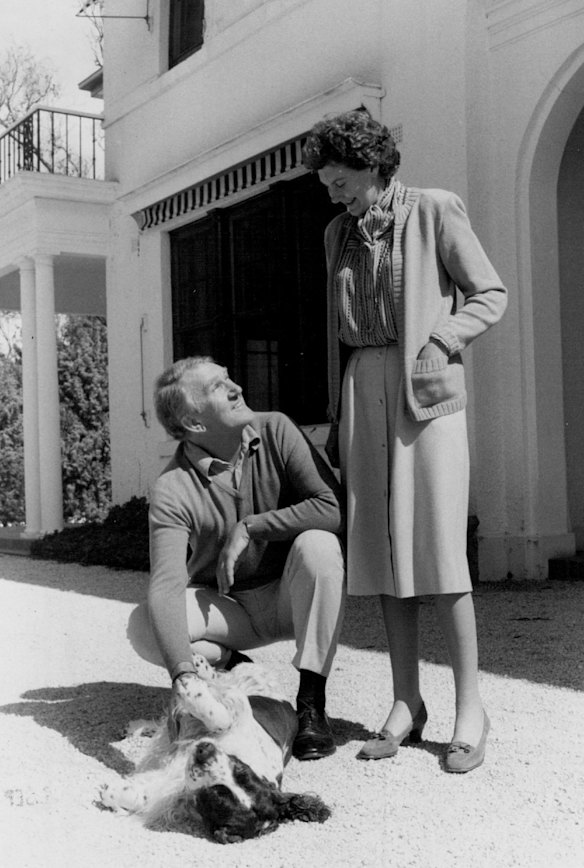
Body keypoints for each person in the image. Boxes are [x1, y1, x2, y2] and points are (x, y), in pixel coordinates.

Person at [302, 108, 507, 773]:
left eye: (340, 181)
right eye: (327, 184)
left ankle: (469, 707)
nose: (332, 194)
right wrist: (338, 412)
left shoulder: (435, 209)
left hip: (427, 391)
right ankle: (405, 702)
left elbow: (490, 294)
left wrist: (444, 339)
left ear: (372, 165)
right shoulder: (337, 233)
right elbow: (337, 331)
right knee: (384, 553)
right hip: (365, 389)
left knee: (440, 553)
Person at [127, 356, 346, 761]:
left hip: (288, 594)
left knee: (320, 545)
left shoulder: (276, 428)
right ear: (194, 423)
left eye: (229, 377)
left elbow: (331, 508)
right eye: (217, 387)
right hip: (230, 609)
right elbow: (167, 585)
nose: (236, 388)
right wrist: (184, 677)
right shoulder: (171, 488)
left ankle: (312, 703)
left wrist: (250, 527)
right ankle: (237, 667)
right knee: (143, 625)